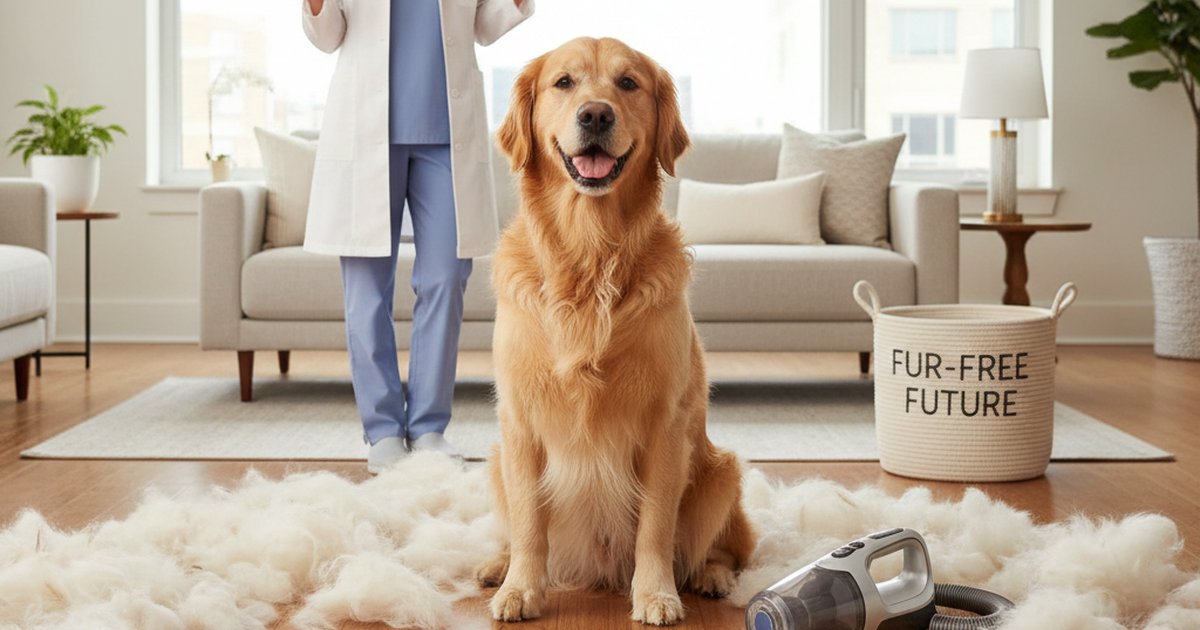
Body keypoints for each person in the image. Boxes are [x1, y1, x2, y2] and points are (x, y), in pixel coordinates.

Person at [301, 0, 534, 474]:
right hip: (365, 134)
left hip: (448, 136)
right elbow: (327, 37)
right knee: (366, 294)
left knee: (446, 279)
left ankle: (429, 428)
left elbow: (485, 28)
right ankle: (383, 430)